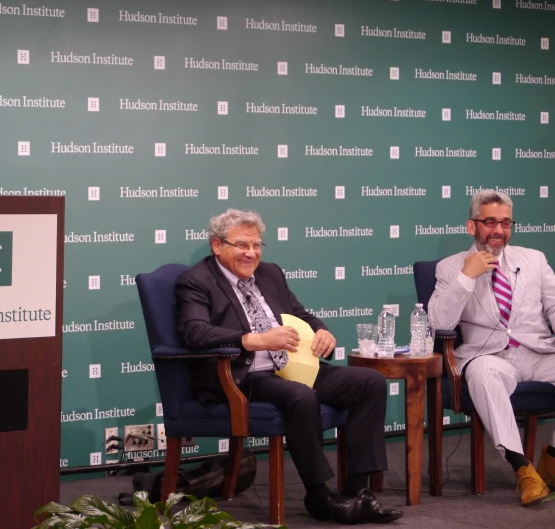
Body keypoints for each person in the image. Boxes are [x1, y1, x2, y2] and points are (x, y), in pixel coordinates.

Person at [175, 208, 403, 524]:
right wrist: (255, 340)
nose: (251, 253)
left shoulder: (270, 274)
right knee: (301, 396)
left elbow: (300, 313)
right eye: (241, 245)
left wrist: (322, 330)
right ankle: (319, 496)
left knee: (370, 382)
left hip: (295, 365)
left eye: (256, 245)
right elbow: (193, 332)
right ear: (217, 245)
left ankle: (357, 492)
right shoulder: (196, 281)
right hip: (245, 374)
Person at [428, 190, 555, 506]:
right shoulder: (449, 268)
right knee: (483, 373)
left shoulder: (534, 260)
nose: (498, 231)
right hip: (491, 357)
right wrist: (466, 277)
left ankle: (552, 458)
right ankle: (523, 469)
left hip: (537, 352)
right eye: (490, 222)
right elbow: (439, 322)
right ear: (472, 226)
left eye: (505, 223)